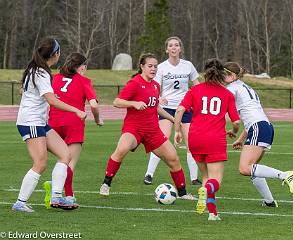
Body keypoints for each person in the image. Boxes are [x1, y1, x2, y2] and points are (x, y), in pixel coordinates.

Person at [99, 53, 194, 200]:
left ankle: (182, 194)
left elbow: (155, 107)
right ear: (142, 66)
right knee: (122, 149)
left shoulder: (155, 85)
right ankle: (106, 183)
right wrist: (133, 103)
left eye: (155, 66)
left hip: (152, 130)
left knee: (173, 159)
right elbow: (117, 102)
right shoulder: (134, 83)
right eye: (150, 66)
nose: (153, 69)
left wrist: (174, 120)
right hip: (134, 128)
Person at [12, 38, 87, 213]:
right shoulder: (41, 72)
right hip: (31, 122)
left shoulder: (37, 70)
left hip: (40, 122)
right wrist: (76, 110)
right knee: (40, 162)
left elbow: (38, 94)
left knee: (65, 154)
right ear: (55, 54)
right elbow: (51, 101)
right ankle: (20, 203)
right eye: (59, 51)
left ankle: (56, 197)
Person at [174, 58, 240, 221]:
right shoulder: (227, 94)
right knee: (215, 179)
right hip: (214, 140)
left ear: (205, 72)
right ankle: (206, 191)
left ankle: (212, 213)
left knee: (205, 176)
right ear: (221, 73)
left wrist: (177, 131)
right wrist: (233, 131)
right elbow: (236, 121)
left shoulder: (194, 90)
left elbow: (179, 110)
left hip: (195, 138)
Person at [224, 62, 293, 208]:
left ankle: (284, 175)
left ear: (232, 75)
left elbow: (224, 110)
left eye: (223, 74)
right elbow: (251, 116)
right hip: (264, 127)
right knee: (253, 167)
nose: (221, 77)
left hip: (258, 127)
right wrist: (241, 138)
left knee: (245, 168)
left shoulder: (232, 89)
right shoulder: (245, 87)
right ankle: (269, 201)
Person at [44, 52, 103, 209]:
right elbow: (94, 105)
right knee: (69, 162)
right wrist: (97, 119)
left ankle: (56, 188)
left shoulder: (54, 78)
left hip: (53, 123)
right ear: (82, 66)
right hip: (74, 124)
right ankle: (68, 196)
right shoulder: (84, 81)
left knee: (62, 159)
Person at [143, 36, 201, 185]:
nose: (174, 48)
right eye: (171, 45)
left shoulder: (188, 65)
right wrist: (160, 97)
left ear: (180, 48)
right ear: (166, 49)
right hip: (167, 108)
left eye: (176, 45)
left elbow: (197, 85)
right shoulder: (161, 67)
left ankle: (194, 178)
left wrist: (197, 99)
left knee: (191, 143)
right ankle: (149, 174)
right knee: (161, 139)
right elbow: (154, 86)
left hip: (185, 107)